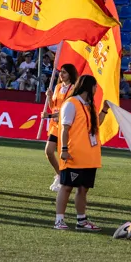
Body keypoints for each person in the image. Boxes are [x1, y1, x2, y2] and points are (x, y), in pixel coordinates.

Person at [54, 75, 110, 231]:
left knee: (83, 188)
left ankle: (81, 220)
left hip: (89, 156)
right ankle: (59, 220)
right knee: (66, 186)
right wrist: (64, 150)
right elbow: (64, 128)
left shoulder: (89, 105)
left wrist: (104, 110)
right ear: (88, 87)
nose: (96, 90)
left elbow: (95, 124)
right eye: (95, 87)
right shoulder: (71, 104)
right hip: (73, 154)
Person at [43, 63, 78, 192]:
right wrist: (49, 97)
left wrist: (50, 115)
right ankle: (60, 175)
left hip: (66, 125)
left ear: (70, 74)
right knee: (49, 151)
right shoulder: (57, 87)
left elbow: (68, 110)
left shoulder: (74, 89)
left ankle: (65, 179)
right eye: (61, 72)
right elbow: (54, 106)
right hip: (55, 124)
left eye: (64, 72)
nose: (61, 74)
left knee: (64, 154)